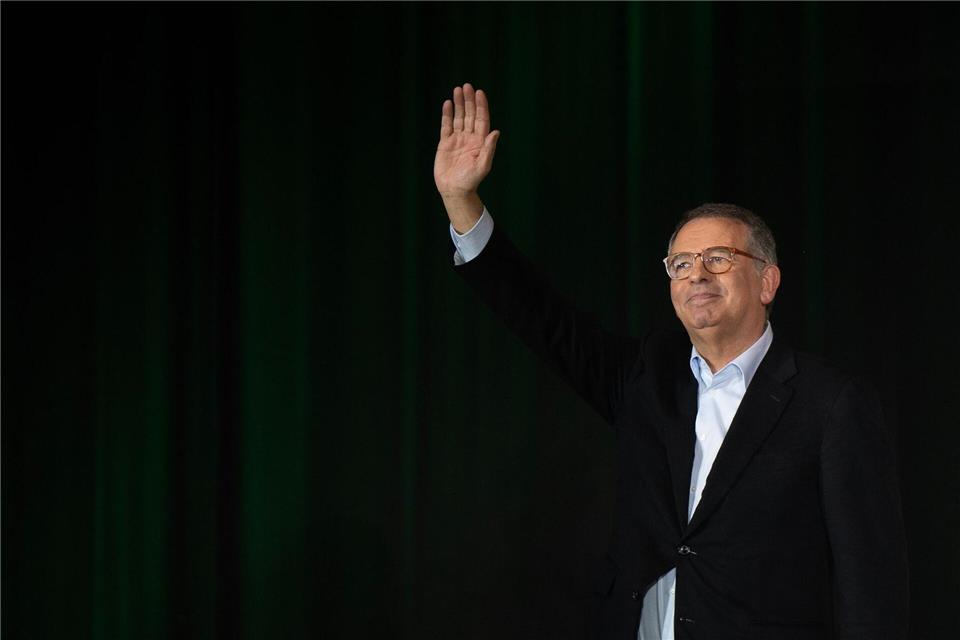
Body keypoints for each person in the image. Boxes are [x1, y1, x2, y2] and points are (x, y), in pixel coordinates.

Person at [433, 83, 908, 640]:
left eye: (718, 258)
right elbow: (541, 318)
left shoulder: (831, 403)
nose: (696, 274)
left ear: (768, 281)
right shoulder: (646, 378)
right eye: (680, 263)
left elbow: (870, 585)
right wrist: (461, 202)